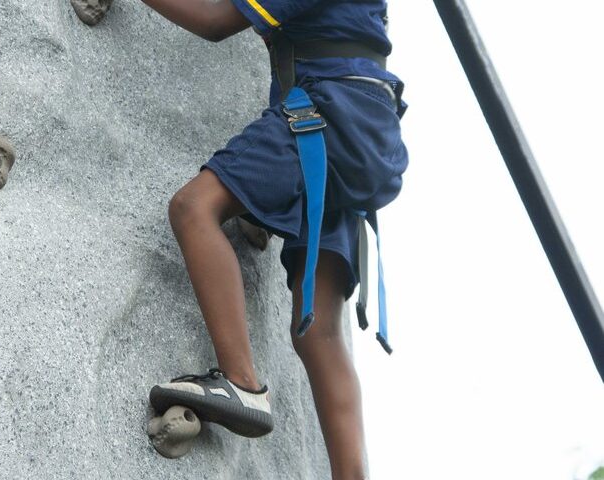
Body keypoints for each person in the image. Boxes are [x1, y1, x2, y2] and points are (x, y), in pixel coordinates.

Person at [141, 0, 408, 478]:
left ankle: (241, 382)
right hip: (362, 131)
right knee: (319, 331)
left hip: (330, 112)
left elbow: (215, 21)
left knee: (194, 208)